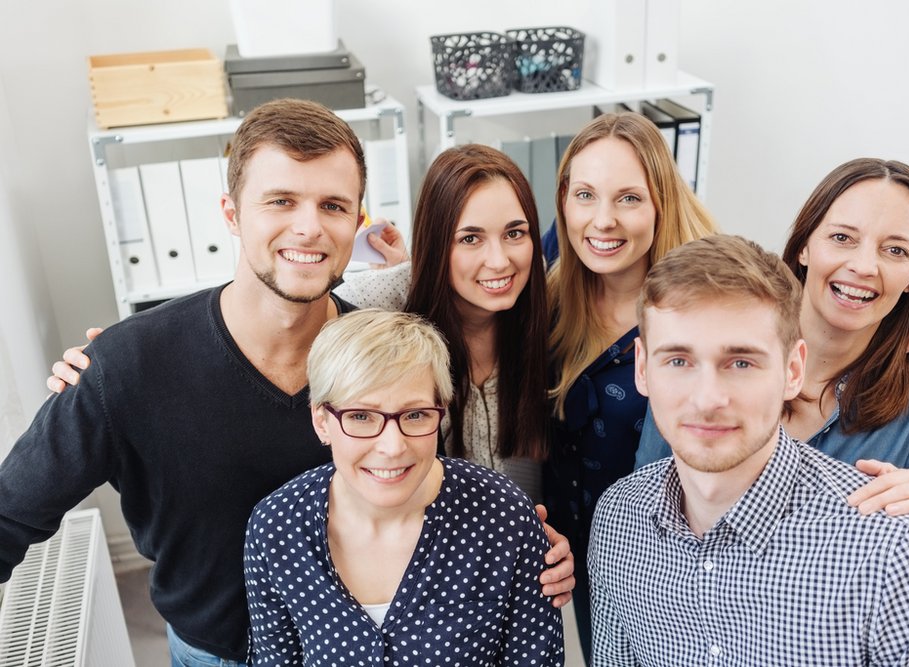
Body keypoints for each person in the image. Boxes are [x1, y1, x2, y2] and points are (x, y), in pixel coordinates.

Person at [1, 99, 571, 667]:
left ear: (357, 221)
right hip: (214, 653)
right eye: (281, 201)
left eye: (333, 205)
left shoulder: (389, 360)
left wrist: (531, 548)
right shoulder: (126, 366)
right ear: (231, 213)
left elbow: (444, 494)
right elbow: (9, 514)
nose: (309, 226)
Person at [589, 234, 909, 666]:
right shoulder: (618, 521)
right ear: (642, 369)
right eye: (678, 361)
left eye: (741, 363)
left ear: (793, 370)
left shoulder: (902, 556)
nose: (707, 398)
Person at [634, 158, 909, 532]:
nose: (863, 266)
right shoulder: (712, 345)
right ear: (804, 247)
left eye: (895, 250)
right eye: (842, 238)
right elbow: (649, 499)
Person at [245, 309, 564, 665]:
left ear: (440, 411)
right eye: (361, 416)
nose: (393, 446)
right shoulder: (275, 527)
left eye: (415, 415)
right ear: (322, 421)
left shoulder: (503, 518)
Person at [541, 110, 717, 660]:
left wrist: (901, 337)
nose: (602, 220)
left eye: (629, 199)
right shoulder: (548, 290)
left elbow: (793, 322)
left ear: (660, 202)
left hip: (678, 559)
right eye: (586, 195)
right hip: (583, 554)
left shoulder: (703, 303)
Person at [333, 144, 549, 500]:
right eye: (470, 238)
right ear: (435, 244)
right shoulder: (372, 302)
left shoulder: (535, 286)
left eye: (514, 233)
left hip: (525, 536)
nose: (499, 261)